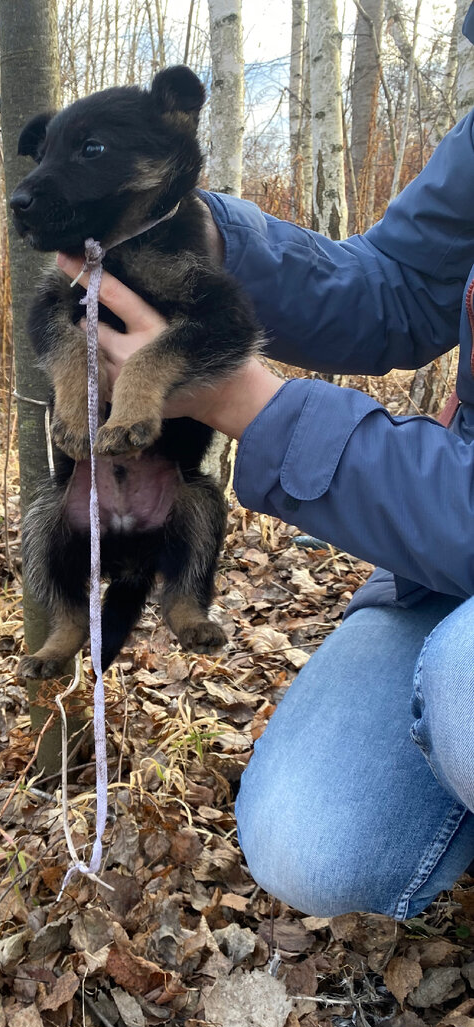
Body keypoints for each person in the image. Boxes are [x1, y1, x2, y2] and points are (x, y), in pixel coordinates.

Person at [55, 9, 474, 920]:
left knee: (465, 693)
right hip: (450, 545)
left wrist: (246, 404)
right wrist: (208, 241)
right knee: (307, 841)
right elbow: (400, 287)